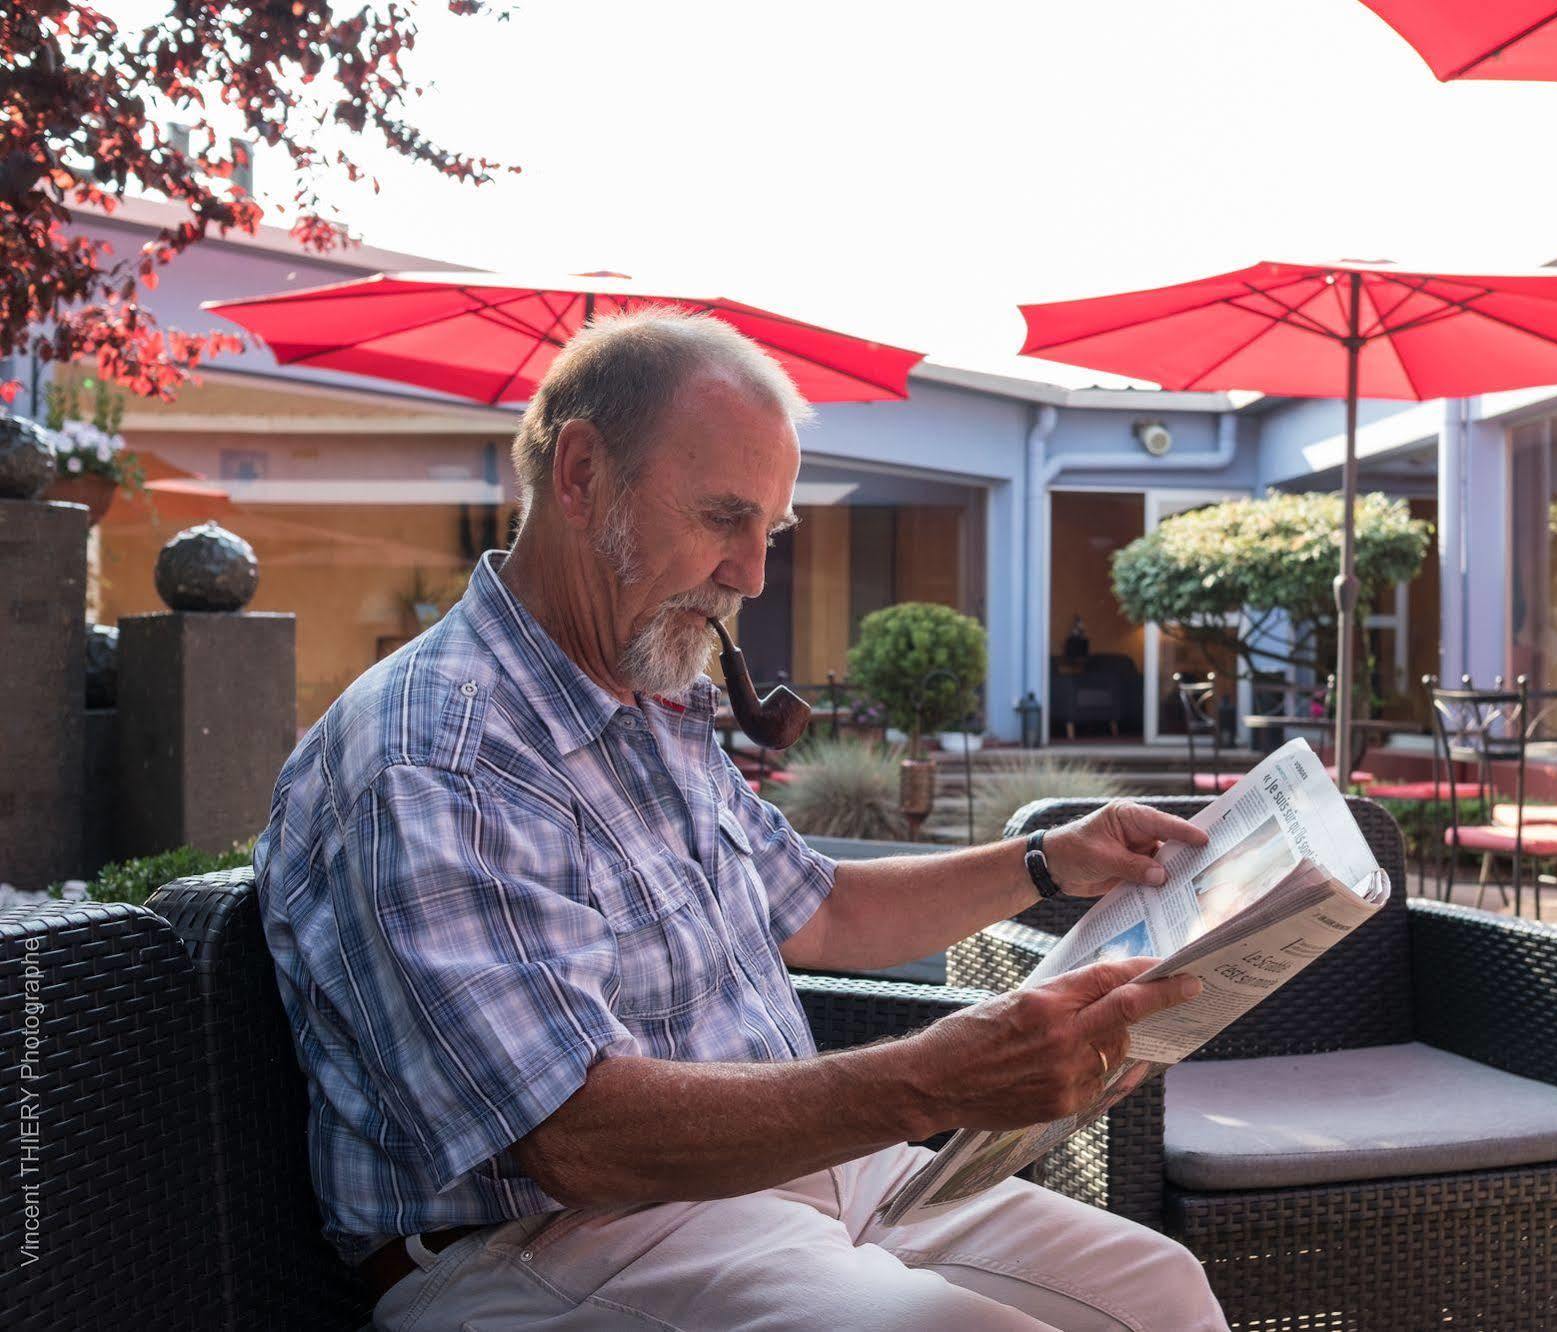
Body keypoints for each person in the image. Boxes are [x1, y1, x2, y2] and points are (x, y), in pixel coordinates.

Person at [255, 311, 1228, 1331]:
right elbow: (572, 1135)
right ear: (581, 475)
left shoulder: (645, 701)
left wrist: (1048, 860)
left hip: (785, 1175)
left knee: (1160, 1290)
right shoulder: (439, 750)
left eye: (769, 531)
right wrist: (929, 1082)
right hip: (548, 1236)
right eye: (725, 519)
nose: (752, 575)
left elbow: (824, 911)